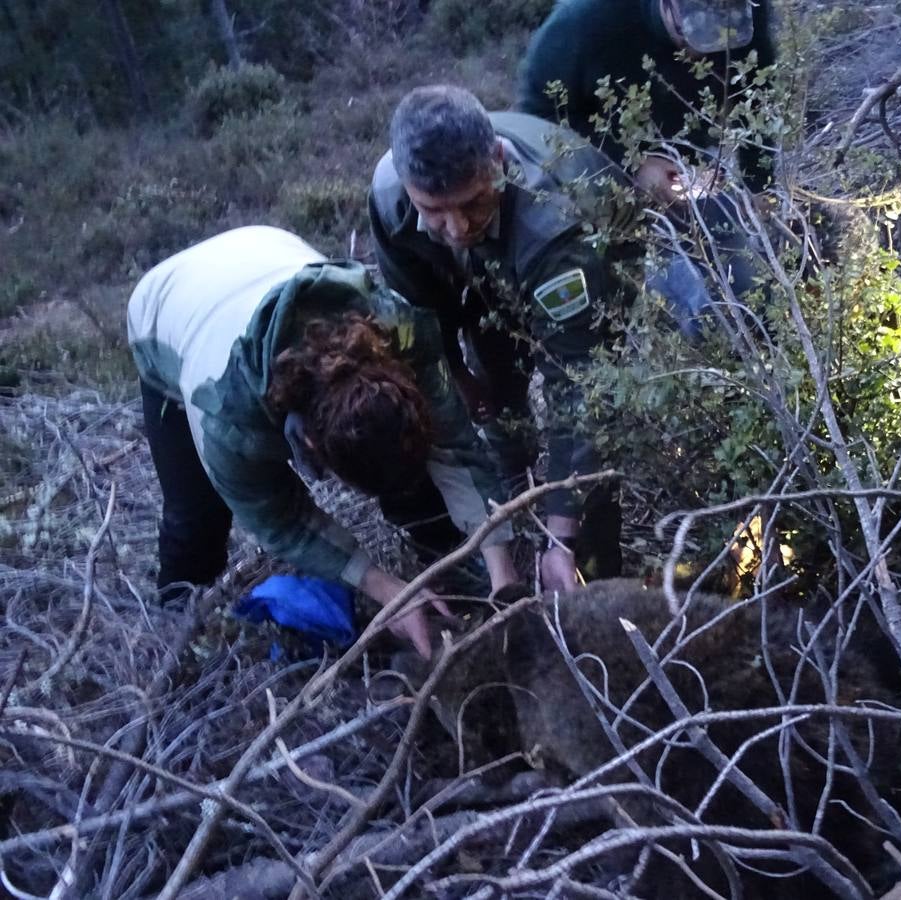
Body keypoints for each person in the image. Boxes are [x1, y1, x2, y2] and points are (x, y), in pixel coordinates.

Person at [128, 226, 519, 658]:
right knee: (196, 516)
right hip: (166, 311)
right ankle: (178, 637)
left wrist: (503, 575)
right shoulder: (227, 417)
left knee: (407, 466)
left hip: (261, 247)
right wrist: (385, 588)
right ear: (311, 448)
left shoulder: (398, 329)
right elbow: (281, 520)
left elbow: (456, 448)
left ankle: (450, 558)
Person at [369, 86, 640, 592]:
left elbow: (580, 387)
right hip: (489, 277)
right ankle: (514, 486)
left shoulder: (557, 224)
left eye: (472, 202)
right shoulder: (390, 198)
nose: (457, 226)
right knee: (495, 384)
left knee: (596, 427)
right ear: (408, 187)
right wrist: (458, 377)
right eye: (434, 209)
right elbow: (419, 318)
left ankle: (598, 566)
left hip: (589, 265)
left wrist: (563, 535)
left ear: (497, 159)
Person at [518, 0, 776, 200]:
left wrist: (760, 189)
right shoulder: (584, 21)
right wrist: (632, 165)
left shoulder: (747, 9)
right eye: (692, 33)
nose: (705, 53)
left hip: (687, 170)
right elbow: (535, 124)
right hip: (596, 183)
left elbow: (756, 99)